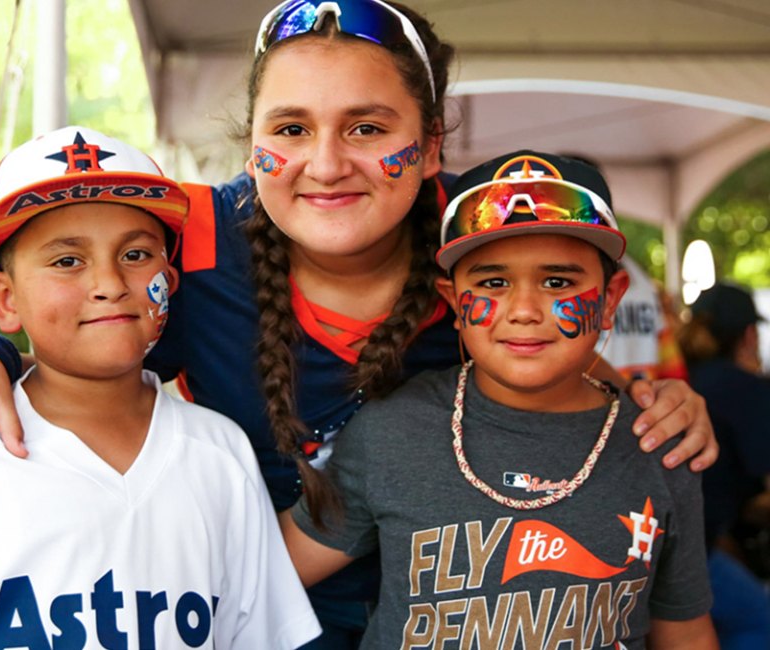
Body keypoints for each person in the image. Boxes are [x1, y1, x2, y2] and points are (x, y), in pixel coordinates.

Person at [0, 1, 717, 646]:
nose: (325, 164)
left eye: (367, 127)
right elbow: (78, 318)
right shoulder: (189, 243)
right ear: (251, 146)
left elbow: (563, 360)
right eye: (290, 129)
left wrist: (651, 400)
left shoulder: (486, 245)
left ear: (429, 146)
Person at [0, 126, 320, 649]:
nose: (109, 283)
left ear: (171, 282)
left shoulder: (221, 453)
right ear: (5, 300)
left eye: (136, 255)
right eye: (67, 261)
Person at [281, 151, 718, 649]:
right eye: (493, 282)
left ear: (611, 298)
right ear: (453, 302)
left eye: (558, 282)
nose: (525, 310)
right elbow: (263, 574)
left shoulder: (661, 441)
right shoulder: (393, 431)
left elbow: (684, 629)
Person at [678, 281, 770, 650]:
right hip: (700, 546)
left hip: (671, 538)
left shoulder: (681, 379)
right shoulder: (746, 389)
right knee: (759, 625)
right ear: (748, 335)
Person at [601, 254, 689, 382]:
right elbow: (673, 371)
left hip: (596, 394)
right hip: (646, 392)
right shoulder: (641, 280)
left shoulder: (638, 278)